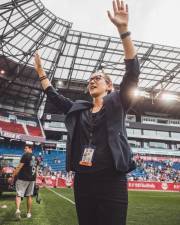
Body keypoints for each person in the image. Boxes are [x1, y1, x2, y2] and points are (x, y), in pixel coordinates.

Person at [34, 0, 140, 224]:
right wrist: (42, 73)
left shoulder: (118, 103)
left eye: (97, 78)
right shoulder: (79, 109)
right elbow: (53, 95)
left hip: (112, 180)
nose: (92, 81)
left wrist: (123, 30)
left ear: (109, 86)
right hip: (83, 181)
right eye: (90, 79)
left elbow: (132, 74)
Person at [12, 144, 38, 219]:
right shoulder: (35, 157)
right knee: (29, 196)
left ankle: (17, 210)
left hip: (23, 178)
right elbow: (35, 169)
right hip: (32, 179)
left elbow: (19, 167)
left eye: (26, 148)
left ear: (30, 149)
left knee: (19, 194)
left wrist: (12, 176)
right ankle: (28, 213)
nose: (24, 149)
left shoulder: (25, 155)